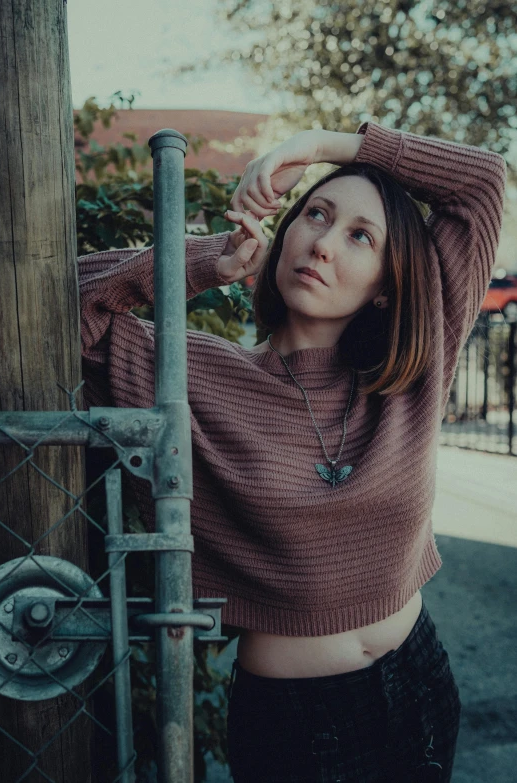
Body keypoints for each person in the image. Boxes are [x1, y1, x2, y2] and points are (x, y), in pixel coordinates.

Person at [78, 120, 507, 782]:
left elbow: (481, 182)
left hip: (419, 683)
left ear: (387, 282)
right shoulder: (191, 374)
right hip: (300, 729)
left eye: (359, 236)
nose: (323, 244)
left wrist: (317, 146)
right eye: (316, 214)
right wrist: (209, 260)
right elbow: (62, 301)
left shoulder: (416, 368)